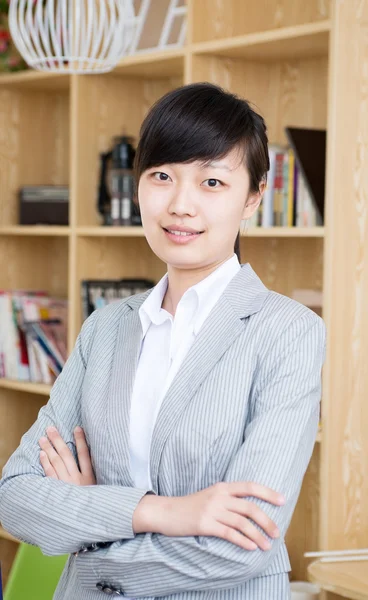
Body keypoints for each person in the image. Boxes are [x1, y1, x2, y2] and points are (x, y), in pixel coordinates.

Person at [0, 83, 326, 599]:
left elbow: (244, 542)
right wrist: (160, 511)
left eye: (212, 181)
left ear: (254, 197)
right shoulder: (105, 329)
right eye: (162, 176)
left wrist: (90, 533)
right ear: (138, 187)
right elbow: (16, 496)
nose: (180, 204)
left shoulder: (287, 331)